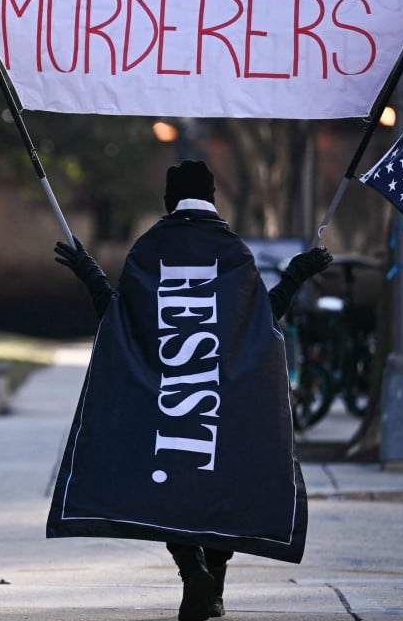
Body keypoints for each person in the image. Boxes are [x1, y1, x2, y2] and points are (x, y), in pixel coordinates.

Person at [52, 159, 331, 621]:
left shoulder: (150, 247)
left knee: (169, 485)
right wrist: (297, 275)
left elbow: (120, 321)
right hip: (224, 399)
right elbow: (262, 321)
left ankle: (192, 574)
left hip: (168, 401)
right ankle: (211, 585)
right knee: (225, 485)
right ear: (214, 196)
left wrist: (89, 272)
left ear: (167, 200)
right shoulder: (233, 251)